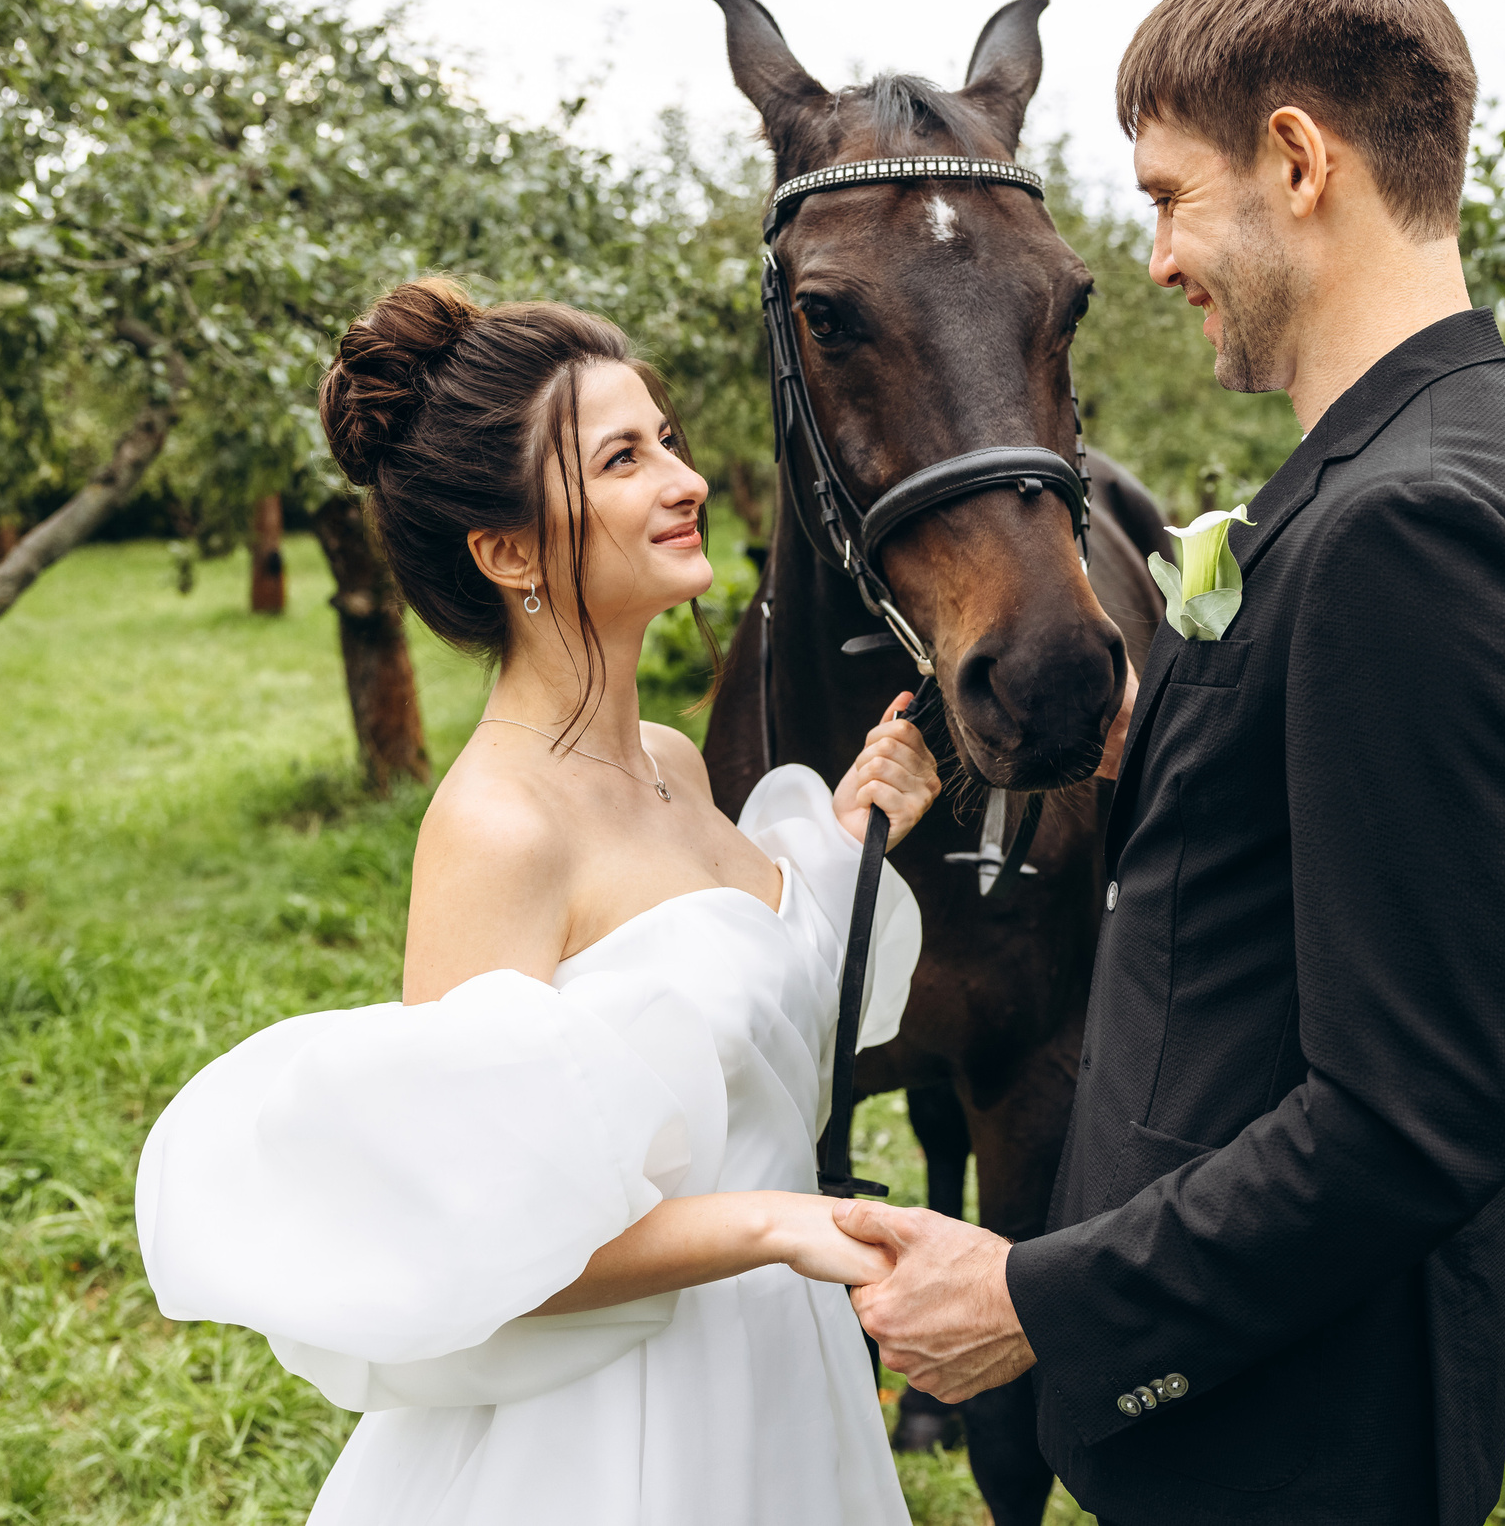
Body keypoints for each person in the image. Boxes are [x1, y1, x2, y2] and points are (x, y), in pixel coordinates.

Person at [836, 0, 1505, 1526]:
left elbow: (1408, 1123)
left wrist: (1038, 1301)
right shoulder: (1427, 452)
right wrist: (1169, 747)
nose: (1158, 259)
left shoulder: (1419, 528)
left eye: (1171, 198)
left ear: (1299, 161)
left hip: (1287, 1450)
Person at [135, 280, 940, 1526]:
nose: (682, 479)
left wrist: (841, 841)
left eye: (666, 438)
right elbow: (481, 1238)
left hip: (781, 1361)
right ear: (508, 551)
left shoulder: (671, 761)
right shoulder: (493, 830)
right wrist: (773, 1223)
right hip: (620, 1422)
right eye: (624, 457)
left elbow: (749, 1042)